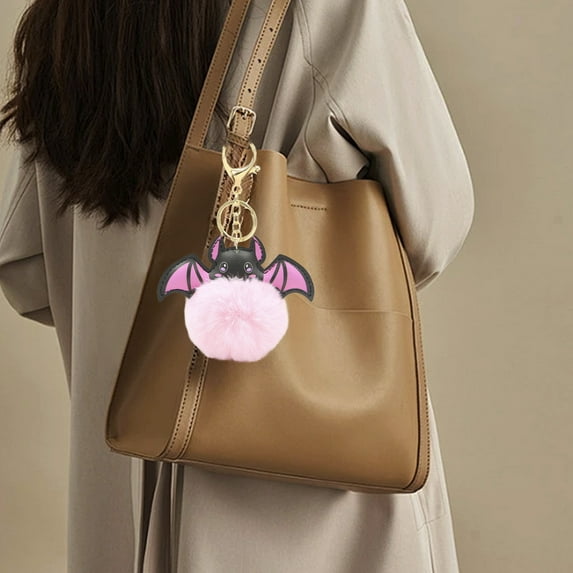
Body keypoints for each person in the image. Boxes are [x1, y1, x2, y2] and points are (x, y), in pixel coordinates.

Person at [0, 0, 475, 571]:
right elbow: (435, 224)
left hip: (122, 476)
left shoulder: (66, 19)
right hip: (316, 483)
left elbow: (27, 272)